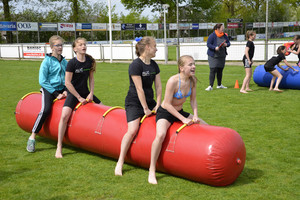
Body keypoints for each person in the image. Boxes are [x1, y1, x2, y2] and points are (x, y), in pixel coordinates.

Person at [148, 55, 207, 184]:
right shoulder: (173, 81)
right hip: (166, 112)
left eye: (194, 64)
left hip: (179, 111)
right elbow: (168, 104)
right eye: (190, 64)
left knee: (205, 125)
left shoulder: (192, 81)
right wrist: (183, 119)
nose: (193, 67)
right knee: (160, 135)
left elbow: (193, 100)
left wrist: (195, 115)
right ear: (181, 68)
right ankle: (152, 169)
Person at [115, 36, 162, 176]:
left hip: (151, 101)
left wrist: (158, 105)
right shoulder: (135, 65)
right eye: (154, 46)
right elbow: (139, 89)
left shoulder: (154, 65)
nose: (156, 48)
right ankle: (120, 162)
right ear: (147, 47)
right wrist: (145, 109)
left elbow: (159, 87)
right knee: (132, 130)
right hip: (134, 102)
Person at [55, 37, 101, 158]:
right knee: (64, 115)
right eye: (80, 45)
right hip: (73, 93)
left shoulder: (89, 61)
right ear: (75, 49)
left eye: (84, 44)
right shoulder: (72, 63)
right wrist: (78, 97)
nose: (83, 46)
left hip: (85, 92)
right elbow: (67, 83)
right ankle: (59, 146)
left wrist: (91, 93)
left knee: (102, 109)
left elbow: (91, 79)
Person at [26, 35, 68, 153]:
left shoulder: (64, 61)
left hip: (62, 88)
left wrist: (65, 89)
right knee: (46, 110)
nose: (60, 47)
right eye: (58, 45)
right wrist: (55, 94)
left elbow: (67, 77)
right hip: (49, 89)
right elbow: (42, 81)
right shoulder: (46, 61)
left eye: (61, 45)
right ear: (51, 47)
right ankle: (32, 137)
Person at [205, 23, 231, 91]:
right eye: (222, 28)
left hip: (221, 55)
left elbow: (229, 43)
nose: (223, 29)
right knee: (213, 70)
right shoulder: (212, 35)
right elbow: (208, 44)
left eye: (223, 28)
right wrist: (214, 48)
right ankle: (210, 86)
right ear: (218, 29)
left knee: (220, 70)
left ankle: (219, 85)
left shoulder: (224, 35)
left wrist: (226, 44)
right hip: (213, 56)